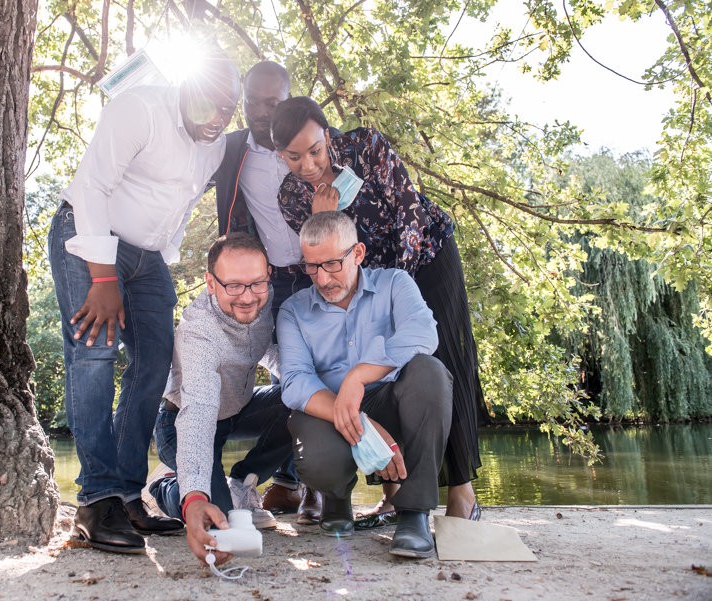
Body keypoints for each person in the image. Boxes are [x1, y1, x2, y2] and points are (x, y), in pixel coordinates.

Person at [48, 50, 241, 554]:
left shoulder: (215, 146)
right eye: (209, 104)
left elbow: (176, 206)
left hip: (148, 259)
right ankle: (95, 500)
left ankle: (128, 494)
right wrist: (103, 276)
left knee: (155, 363)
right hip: (88, 239)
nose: (217, 118)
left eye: (228, 109)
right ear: (184, 90)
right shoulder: (139, 108)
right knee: (94, 355)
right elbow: (90, 185)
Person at [271, 96, 488, 522]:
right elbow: (323, 251)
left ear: (327, 137)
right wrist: (326, 218)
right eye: (294, 157)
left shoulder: (366, 147)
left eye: (314, 150)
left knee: (437, 363)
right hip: (357, 272)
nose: (308, 164)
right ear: (281, 155)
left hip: (421, 258)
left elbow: (408, 218)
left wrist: (390, 293)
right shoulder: (291, 197)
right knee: (375, 370)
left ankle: (462, 492)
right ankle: (394, 494)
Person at [277, 211, 452, 558]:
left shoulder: (395, 284)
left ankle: (414, 512)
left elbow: (423, 333)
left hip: (392, 397)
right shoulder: (293, 311)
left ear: (357, 253)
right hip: (329, 409)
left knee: (430, 373)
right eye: (312, 267)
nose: (322, 279)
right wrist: (361, 421)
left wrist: (360, 376)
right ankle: (337, 497)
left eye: (331, 264)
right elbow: (295, 381)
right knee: (316, 455)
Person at [213, 61, 328, 521]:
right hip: (271, 279)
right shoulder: (231, 150)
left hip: (319, 272)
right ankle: (278, 479)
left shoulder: (314, 143)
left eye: (273, 102)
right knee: (288, 377)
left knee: (323, 370)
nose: (263, 112)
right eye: (254, 102)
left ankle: (314, 485)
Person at [149, 233, 293, 563]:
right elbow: (198, 409)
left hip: (238, 410)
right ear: (211, 283)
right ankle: (169, 486)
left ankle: (243, 482)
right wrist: (195, 497)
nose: (247, 297)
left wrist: (315, 387)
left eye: (256, 283)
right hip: (183, 420)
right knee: (218, 518)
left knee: (301, 398)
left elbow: (265, 349)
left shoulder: (264, 296)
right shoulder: (200, 331)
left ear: (267, 275)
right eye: (234, 286)